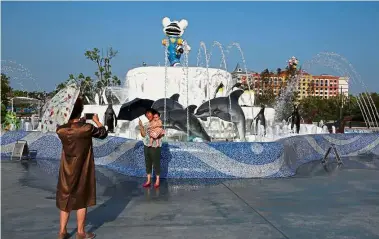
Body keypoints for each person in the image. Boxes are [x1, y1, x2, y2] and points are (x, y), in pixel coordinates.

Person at [55, 97, 108, 239]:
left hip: (67, 169)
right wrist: (96, 121)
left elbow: (72, 129)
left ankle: (62, 232)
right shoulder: (87, 129)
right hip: (82, 169)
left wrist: (79, 121)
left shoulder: (61, 130)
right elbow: (102, 134)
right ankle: (80, 232)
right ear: (80, 112)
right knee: (82, 199)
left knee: (65, 198)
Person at [139, 108, 163, 188]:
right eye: (146, 114)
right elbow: (143, 135)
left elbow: (161, 134)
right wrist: (141, 126)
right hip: (146, 145)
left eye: (149, 113)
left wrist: (155, 133)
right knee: (148, 162)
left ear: (153, 114)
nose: (148, 115)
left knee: (156, 163)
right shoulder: (146, 124)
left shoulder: (157, 122)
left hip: (155, 146)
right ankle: (148, 180)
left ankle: (157, 180)